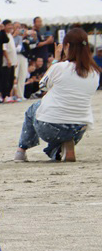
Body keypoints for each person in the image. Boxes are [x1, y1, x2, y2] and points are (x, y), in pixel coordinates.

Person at [14, 28, 100, 162]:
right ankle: (63, 148)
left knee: (33, 108)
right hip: (79, 128)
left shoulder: (60, 67)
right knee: (62, 135)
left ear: (67, 46)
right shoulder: (94, 72)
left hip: (52, 127)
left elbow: (42, 85)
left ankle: (21, 150)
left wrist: (55, 60)